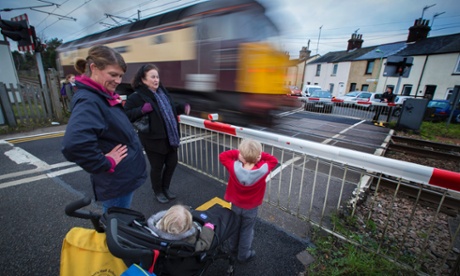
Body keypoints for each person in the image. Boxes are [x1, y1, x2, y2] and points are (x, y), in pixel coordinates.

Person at [61, 45, 147, 212]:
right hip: (117, 180)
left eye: (121, 76)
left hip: (121, 178)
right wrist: (105, 162)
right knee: (117, 225)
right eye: (113, 74)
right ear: (94, 68)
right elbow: (73, 145)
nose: (118, 81)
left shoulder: (100, 95)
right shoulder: (90, 101)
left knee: (118, 222)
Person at [124, 64, 190, 204]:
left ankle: (165, 188)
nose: (156, 80)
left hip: (170, 137)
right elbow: (126, 115)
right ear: (143, 79)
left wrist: (182, 107)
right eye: (152, 77)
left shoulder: (162, 93)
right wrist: (141, 110)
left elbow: (171, 110)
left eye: (157, 77)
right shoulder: (137, 97)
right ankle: (158, 191)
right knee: (157, 167)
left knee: (172, 164)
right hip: (153, 140)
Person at [219, 138, 278, 263]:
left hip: (235, 204)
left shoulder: (233, 166)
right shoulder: (263, 169)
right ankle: (243, 255)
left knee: (235, 226)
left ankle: (232, 248)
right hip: (251, 207)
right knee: (247, 230)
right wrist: (257, 156)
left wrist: (240, 154)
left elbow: (223, 156)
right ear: (258, 157)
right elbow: (273, 160)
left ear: (241, 155)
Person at [147, 205, 214, 251]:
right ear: (186, 227)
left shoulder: (153, 228)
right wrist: (208, 229)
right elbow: (202, 245)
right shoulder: (187, 240)